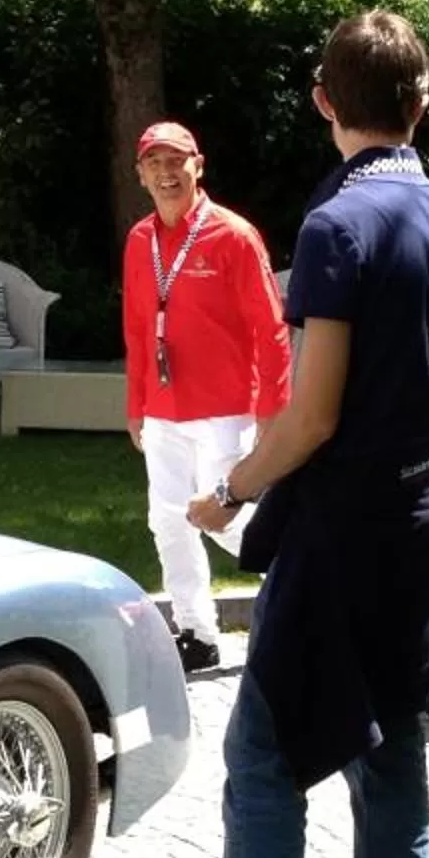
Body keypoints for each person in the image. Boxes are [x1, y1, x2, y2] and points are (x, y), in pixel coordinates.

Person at [134, 10, 429, 858]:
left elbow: (312, 415)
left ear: (322, 99)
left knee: (262, 753)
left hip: (349, 531)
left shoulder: (337, 228)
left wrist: (232, 493)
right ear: (420, 105)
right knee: (392, 739)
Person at [122, 118, 290, 673]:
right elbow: (138, 328)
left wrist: (272, 411)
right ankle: (196, 633)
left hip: (226, 409)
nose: (167, 174)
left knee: (226, 519)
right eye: (155, 164)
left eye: (177, 162)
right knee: (167, 521)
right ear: (141, 174)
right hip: (164, 411)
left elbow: (271, 328)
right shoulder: (140, 239)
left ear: (198, 166)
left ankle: (304, 596)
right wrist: (136, 404)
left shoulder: (232, 235)